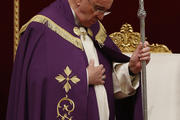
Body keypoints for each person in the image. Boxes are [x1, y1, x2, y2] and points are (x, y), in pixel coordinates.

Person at [7, 0, 150, 120]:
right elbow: (37, 87)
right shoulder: (43, 29)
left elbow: (105, 84)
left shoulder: (94, 28)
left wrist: (131, 70)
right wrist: (85, 77)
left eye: (105, 11)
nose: (101, 17)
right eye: (99, 9)